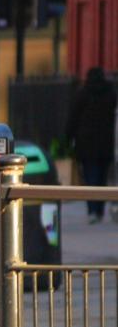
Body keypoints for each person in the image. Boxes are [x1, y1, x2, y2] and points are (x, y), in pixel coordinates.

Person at [66, 67, 117, 224]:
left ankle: (92, 210)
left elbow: (73, 118)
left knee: (90, 178)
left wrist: (69, 137)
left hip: (86, 144)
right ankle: (99, 209)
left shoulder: (83, 94)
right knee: (102, 178)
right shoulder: (110, 94)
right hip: (105, 143)